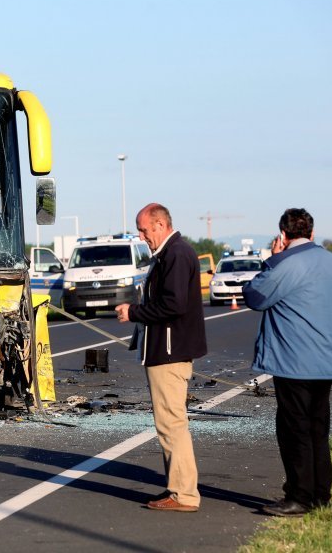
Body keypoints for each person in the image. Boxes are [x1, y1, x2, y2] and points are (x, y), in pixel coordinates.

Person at [243, 208, 332, 517]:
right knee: (318, 430)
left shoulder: (285, 265)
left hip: (293, 362)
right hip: (325, 361)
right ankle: (321, 494)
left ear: (283, 235)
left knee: (294, 430)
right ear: (312, 232)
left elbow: (255, 295)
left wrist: (273, 259)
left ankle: (299, 496)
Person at [116, 203, 206, 513]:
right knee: (169, 422)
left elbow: (174, 304)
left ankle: (183, 494)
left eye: (143, 229)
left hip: (170, 353)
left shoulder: (176, 254)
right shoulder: (170, 254)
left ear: (160, 225)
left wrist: (135, 312)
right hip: (165, 351)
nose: (141, 236)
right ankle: (178, 488)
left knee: (171, 423)